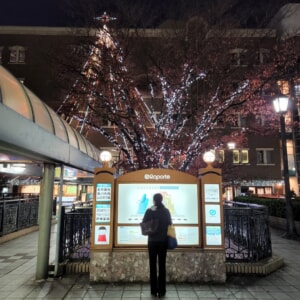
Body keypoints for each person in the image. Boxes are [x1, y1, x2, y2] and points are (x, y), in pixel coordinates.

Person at [142, 193, 172, 298]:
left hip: (152, 241)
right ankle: (162, 290)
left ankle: (154, 290)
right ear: (162, 200)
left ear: (154, 200)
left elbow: (143, 223)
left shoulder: (149, 211)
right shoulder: (166, 211)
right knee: (162, 265)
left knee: (153, 265)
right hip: (163, 241)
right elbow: (170, 223)